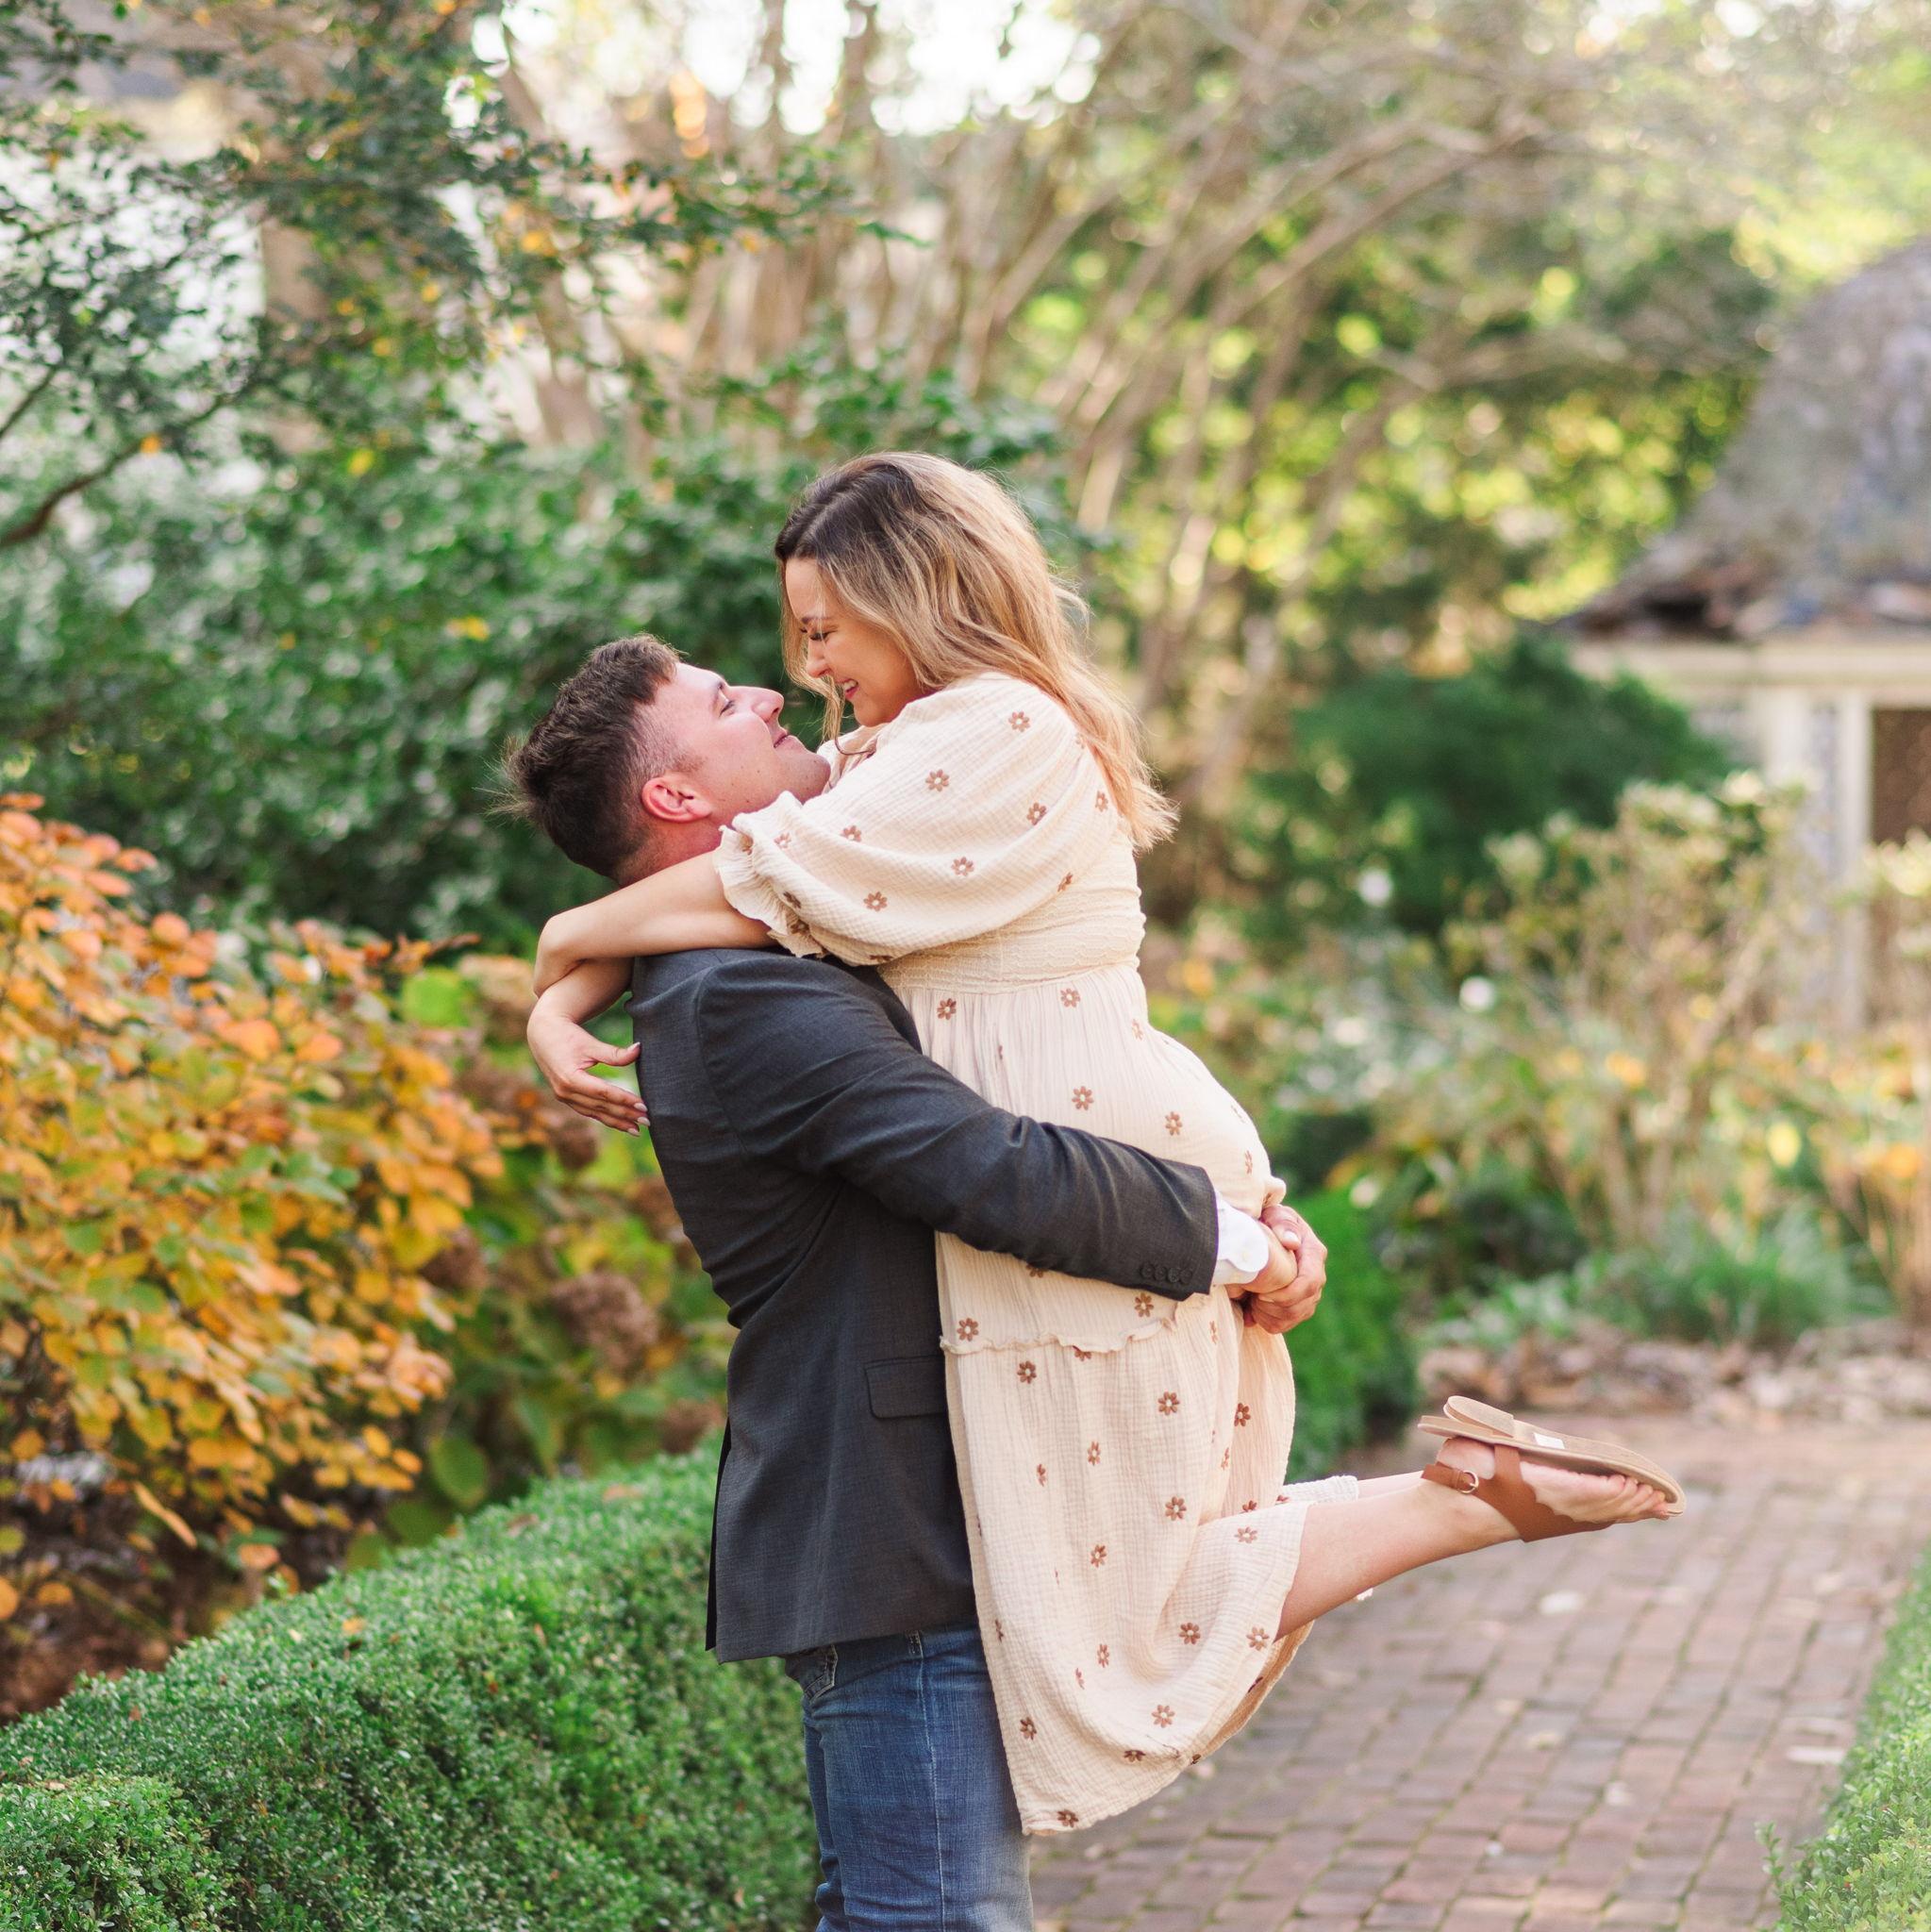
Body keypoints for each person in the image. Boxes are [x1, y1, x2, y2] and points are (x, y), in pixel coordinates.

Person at [529, 454, 1684, 1853]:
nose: (790, 674)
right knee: (1129, 1574)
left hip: (1087, 1135)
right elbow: (751, 872)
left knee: (1119, 1589)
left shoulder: (985, 731)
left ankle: (1464, 1509)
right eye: (748, 681)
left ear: (914, 598)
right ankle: (1466, 1500)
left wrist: (561, 950)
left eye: (818, 627)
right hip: (1101, 1135)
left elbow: (769, 886)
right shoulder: (890, 762)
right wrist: (569, 986)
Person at [506, 633, 1326, 1932]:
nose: (774, 689)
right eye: (726, 703)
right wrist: (1237, 1247)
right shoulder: (740, 997)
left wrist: (561, 976)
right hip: (895, 1531)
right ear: (677, 797)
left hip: (920, 1515)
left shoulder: (774, 934)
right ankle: (1476, 1503)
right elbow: (985, 1166)